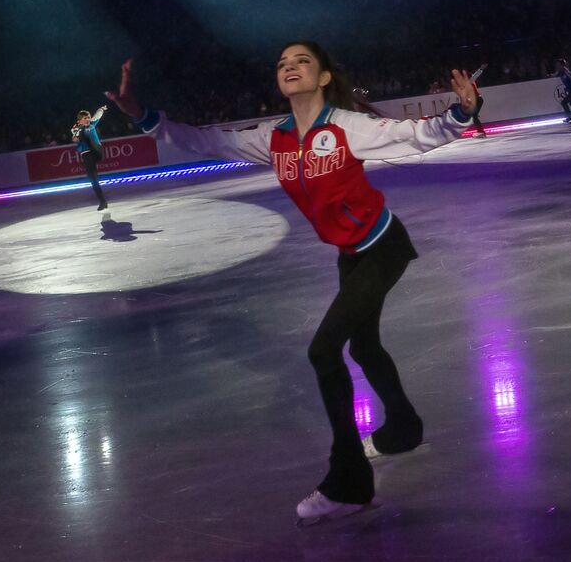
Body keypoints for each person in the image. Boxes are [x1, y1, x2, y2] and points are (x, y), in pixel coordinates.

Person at [104, 44, 482, 524]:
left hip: (382, 246)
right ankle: (403, 428)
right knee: (363, 349)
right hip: (351, 255)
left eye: (301, 60)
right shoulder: (274, 137)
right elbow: (206, 141)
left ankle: (348, 485)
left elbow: (417, 135)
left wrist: (463, 110)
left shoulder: (347, 126)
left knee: (324, 352)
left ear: (323, 77)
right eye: (282, 63)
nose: (289, 67)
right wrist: (142, 116)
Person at [71, 105, 109, 210]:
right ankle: (103, 202)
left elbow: (98, 115)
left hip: (97, 150)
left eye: (88, 117)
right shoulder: (76, 129)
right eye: (85, 118)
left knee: (84, 132)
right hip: (87, 154)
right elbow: (75, 138)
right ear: (80, 120)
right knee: (93, 179)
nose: (88, 119)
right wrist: (77, 136)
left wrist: (101, 109)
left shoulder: (92, 124)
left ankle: (86, 138)